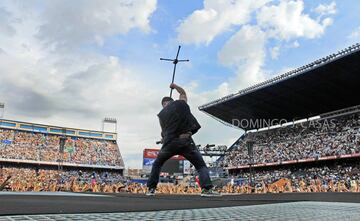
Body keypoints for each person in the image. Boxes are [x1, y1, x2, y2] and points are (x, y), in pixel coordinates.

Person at [146, 83, 219, 196]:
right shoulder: (180, 104)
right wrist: (174, 86)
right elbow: (182, 93)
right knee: (200, 166)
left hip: (169, 143)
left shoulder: (161, 115)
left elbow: (163, 133)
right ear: (172, 101)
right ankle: (207, 190)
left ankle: (151, 189)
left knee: (157, 164)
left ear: (163, 104)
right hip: (186, 141)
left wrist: (163, 138)